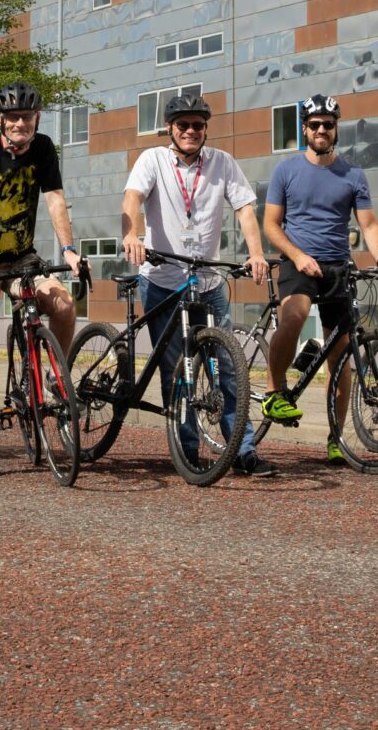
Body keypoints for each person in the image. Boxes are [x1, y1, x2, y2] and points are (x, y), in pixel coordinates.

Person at [121, 94, 275, 476]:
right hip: (163, 281)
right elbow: (133, 198)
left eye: (198, 125)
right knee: (175, 369)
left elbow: (244, 209)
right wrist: (133, 236)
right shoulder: (153, 159)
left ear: (206, 129)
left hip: (208, 281)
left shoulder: (222, 162)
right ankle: (187, 447)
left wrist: (256, 253)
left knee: (227, 365)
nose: (191, 131)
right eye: (183, 125)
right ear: (171, 129)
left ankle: (243, 450)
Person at [0, 82, 82, 479]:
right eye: (12, 117)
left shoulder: (43, 149)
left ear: (36, 118)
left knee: (63, 304)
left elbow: (55, 198)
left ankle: (57, 379)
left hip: (21, 256)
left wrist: (69, 250)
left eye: (27, 116)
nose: (20, 123)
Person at [261, 93, 378, 466]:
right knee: (293, 315)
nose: (322, 130)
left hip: (339, 267)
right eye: (315, 125)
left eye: (328, 124)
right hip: (297, 261)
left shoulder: (353, 174)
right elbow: (271, 225)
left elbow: (368, 224)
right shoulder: (286, 171)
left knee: (341, 358)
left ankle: (336, 437)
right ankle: (275, 390)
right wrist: (298, 255)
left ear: (336, 128)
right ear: (305, 129)